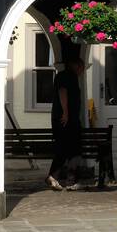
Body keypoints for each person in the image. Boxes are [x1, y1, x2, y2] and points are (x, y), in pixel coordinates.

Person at [48, 58, 84, 190]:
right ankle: (68, 180)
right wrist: (66, 112)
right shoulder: (68, 76)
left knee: (65, 148)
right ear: (76, 66)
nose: (82, 71)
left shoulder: (65, 76)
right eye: (81, 67)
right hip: (66, 120)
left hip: (66, 119)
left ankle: (56, 177)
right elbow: (63, 92)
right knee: (72, 148)